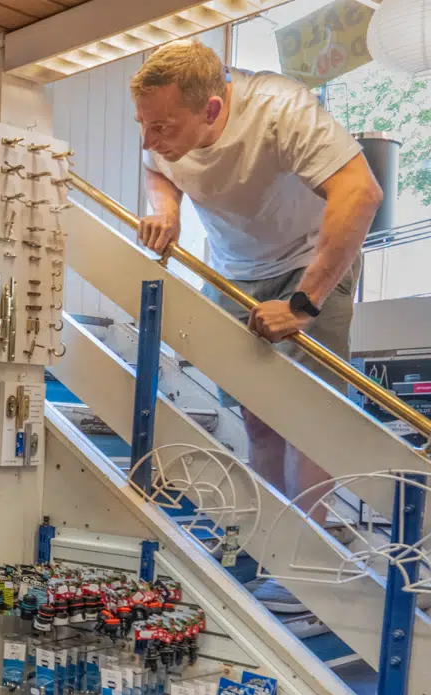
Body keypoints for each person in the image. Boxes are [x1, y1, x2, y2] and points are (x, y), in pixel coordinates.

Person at [130, 39, 383, 613]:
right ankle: (272, 546)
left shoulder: (280, 109)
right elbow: (157, 169)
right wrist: (166, 210)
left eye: (163, 126)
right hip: (233, 269)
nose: (149, 139)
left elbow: (361, 193)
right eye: (143, 124)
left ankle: (308, 563)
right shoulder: (161, 122)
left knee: (309, 417)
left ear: (213, 111)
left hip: (311, 260)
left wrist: (303, 303)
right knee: (258, 420)